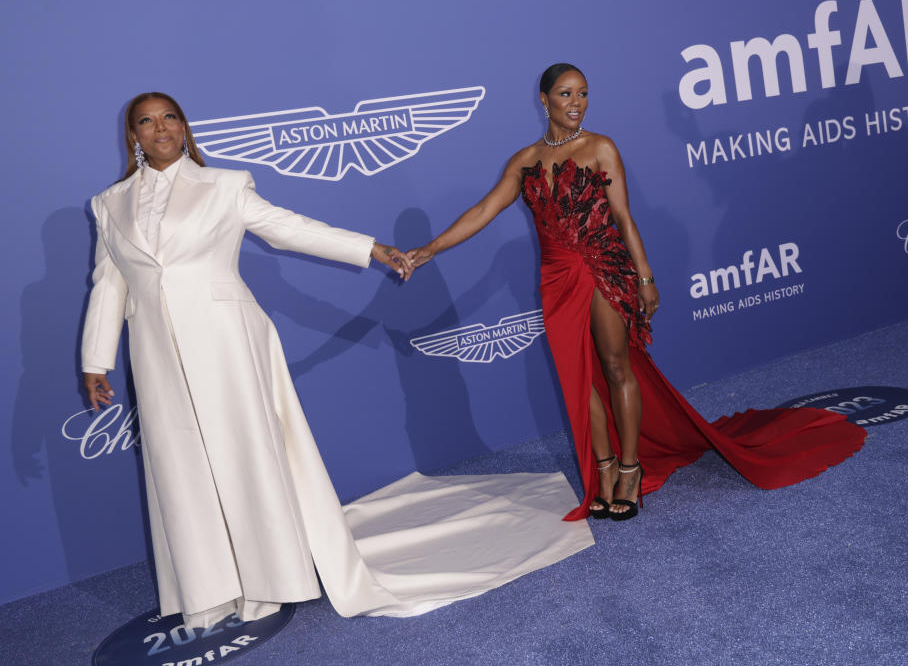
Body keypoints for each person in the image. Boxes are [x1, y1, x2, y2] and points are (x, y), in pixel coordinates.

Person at [81, 92, 593, 629]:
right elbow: (108, 284)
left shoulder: (225, 185)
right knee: (178, 466)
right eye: (147, 121)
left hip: (227, 340)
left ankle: (266, 582)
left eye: (170, 117)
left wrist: (372, 248)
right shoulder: (108, 204)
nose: (160, 127)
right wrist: (96, 360)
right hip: (155, 352)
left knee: (244, 456)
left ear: (184, 127)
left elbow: (292, 228)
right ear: (133, 136)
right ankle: (206, 589)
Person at [406, 64, 866, 521]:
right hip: (556, 279)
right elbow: (484, 209)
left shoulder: (601, 148)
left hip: (604, 269)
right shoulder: (524, 161)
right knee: (579, 377)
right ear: (543, 100)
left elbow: (623, 217)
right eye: (566, 94)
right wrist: (429, 249)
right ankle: (603, 470)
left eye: (583, 94)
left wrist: (644, 277)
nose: (576, 104)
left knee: (613, 366)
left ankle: (630, 469)